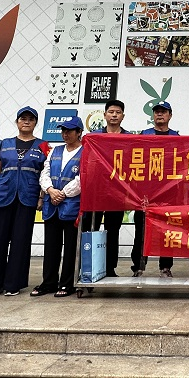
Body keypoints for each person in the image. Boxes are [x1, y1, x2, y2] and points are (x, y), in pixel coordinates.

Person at [0, 107, 49, 297]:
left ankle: (13, 284)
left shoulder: (43, 146)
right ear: (17, 122)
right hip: (2, 197)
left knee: (20, 241)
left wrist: (41, 197)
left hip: (27, 197)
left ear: (35, 123)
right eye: (22, 118)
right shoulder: (5, 144)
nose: (26, 122)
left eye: (30, 119)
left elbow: (46, 174)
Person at [32, 117, 83, 297]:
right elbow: (44, 173)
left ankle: (67, 283)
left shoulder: (85, 152)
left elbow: (82, 178)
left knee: (70, 247)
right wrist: (50, 190)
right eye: (63, 130)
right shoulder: (55, 151)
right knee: (51, 246)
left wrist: (63, 193)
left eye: (69, 131)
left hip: (71, 206)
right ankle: (49, 282)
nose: (65, 134)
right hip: (51, 205)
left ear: (79, 132)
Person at [82, 99, 128, 277]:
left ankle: (109, 269)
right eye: (111, 112)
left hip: (117, 192)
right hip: (95, 191)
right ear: (105, 115)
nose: (114, 115)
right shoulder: (94, 138)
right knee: (89, 229)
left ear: (123, 116)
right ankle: (88, 268)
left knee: (112, 231)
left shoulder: (129, 138)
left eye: (118, 112)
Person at [136, 101, 178, 278]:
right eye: (157, 112)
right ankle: (138, 267)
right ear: (153, 115)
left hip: (168, 192)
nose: (160, 114)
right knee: (141, 230)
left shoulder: (177, 137)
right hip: (146, 192)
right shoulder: (143, 135)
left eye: (163, 112)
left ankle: (165, 267)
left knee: (167, 231)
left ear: (170, 115)